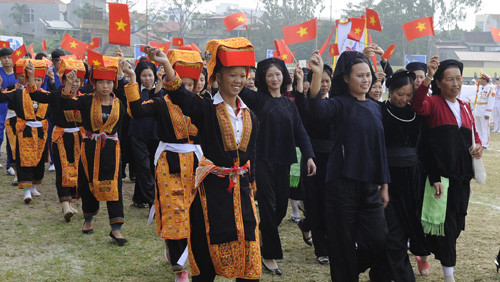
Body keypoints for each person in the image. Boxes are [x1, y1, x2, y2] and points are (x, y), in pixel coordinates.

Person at [153, 37, 261, 281]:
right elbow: (180, 95)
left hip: (241, 192)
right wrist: (166, 65)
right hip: (210, 192)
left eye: (242, 75)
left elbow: (252, 155)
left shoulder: (251, 115)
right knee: (206, 250)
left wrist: (252, 188)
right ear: (218, 77)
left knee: (249, 248)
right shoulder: (205, 109)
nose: (238, 81)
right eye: (232, 75)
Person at [306, 51, 390, 281]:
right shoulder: (339, 104)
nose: (365, 80)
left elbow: (380, 149)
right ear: (345, 78)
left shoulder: (374, 107)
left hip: (370, 185)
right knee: (342, 245)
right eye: (359, 75)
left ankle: (350, 269)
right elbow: (316, 109)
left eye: (368, 75)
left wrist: (384, 185)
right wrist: (315, 75)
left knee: (379, 239)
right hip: (341, 185)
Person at [124, 48, 204, 282]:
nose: (186, 90)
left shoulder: (202, 105)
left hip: (197, 165)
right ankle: (181, 268)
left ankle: (184, 252)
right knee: (174, 212)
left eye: (191, 85)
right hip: (170, 165)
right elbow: (137, 111)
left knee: (194, 213)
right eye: (183, 85)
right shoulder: (162, 103)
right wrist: (130, 79)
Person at [238, 57, 316, 275]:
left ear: (284, 77)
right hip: (261, 161)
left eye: (278, 74)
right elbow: (238, 86)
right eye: (270, 75)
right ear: (264, 77)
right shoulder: (257, 99)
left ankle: (264, 233)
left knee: (280, 208)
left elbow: (300, 132)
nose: (274, 78)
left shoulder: (289, 104)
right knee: (268, 209)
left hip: (284, 162)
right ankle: (269, 255)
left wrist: (309, 155)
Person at [411, 57, 482, 282]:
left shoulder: (465, 107)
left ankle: (422, 249)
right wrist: (428, 76)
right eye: (449, 79)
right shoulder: (433, 103)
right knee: (447, 227)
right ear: (439, 83)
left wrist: (478, 147)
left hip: (462, 179)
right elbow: (417, 105)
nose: (456, 84)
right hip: (440, 178)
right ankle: (448, 274)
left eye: (459, 79)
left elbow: (474, 137)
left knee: (456, 224)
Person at [369, 69, 430, 282]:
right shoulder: (379, 110)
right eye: (399, 94)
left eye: (408, 95)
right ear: (390, 90)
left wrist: (435, 177)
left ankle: (379, 274)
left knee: (404, 230)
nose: (404, 99)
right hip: (388, 178)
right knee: (393, 233)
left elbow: (425, 149)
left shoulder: (416, 114)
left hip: (412, 180)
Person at [61, 56, 127, 246]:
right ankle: (88, 219)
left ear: (113, 84)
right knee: (88, 182)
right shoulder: (86, 101)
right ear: (94, 83)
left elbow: (120, 127)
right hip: (90, 147)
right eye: (101, 82)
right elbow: (66, 105)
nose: (105, 86)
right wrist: (68, 85)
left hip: (112, 149)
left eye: (108, 82)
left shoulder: (118, 104)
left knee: (115, 187)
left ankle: (116, 228)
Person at [28, 58, 85, 221]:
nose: (74, 82)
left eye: (77, 79)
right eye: (70, 78)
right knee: (62, 170)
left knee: (79, 170)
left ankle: (72, 200)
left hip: (79, 138)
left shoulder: (85, 97)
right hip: (60, 137)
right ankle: (65, 205)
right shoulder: (55, 95)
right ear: (63, 79)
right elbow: (35, 93)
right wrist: (32, 76)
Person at [294, 64, 333, 265]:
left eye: (327, 80)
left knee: (330, 203)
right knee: (315, 203)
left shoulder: (335, 104)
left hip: (334, 159)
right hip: (312, 158)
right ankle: (322, 249)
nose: (324, 85)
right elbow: (299, 107)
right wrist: (299, 83)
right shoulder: (307, 104)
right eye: (320, 80)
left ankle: (307, 223)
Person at [0, 59, 50, 203]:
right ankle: (26, 191)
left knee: (39, 161)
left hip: (40, 132)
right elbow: (2, 97)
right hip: (25, 131)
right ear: (27, 79)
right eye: (33, 79)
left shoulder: (46, 95)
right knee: (24, 160)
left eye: (39, 79)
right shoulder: (18, 92)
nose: (36, 82)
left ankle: (34, 186)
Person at [128, 60, 163, 209]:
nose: (147, 79)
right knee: (143, 166)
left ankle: (138, 197)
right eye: (144, 75)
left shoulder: (161, 89)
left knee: (153, 167)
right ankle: (152, 201)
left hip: (156, 134)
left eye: (150, 75)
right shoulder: (135, 90)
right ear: (138, 76)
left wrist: (160, 83)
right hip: (137, 133)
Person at [0, 47, 17, 173]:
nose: (7, 60)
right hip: (0, 108)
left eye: (9, 57)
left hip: (13, 110)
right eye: (4, 57)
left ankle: (10, 165)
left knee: (11, 137)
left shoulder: (18, 73)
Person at [472, 72, 495, 148]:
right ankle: (479, 141)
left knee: (485, 127)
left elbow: (491, 102)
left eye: (481, 79)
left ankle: (485, 143)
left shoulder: (490, 89)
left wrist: (488, 113)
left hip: (484, 110)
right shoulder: (480, 88)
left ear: (485, 80)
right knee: (478, 127)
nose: (479, 81)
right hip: (478, 110)